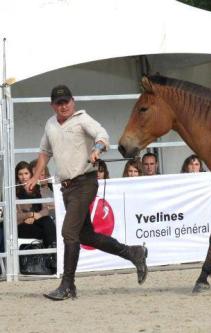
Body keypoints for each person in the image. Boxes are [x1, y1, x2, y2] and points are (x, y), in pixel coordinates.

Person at [26, 84, 147, 301]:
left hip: (85, 183)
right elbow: (45, 152)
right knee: (85, 235)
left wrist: (97, 149)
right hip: (67, 188)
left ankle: (67, 284)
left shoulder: (83, 119)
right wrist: (35, 176)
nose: (63, 106)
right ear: (52, 105)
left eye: (66, 101)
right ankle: (133, 252)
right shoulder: (50, 124)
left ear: (73, 101)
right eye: (59, 103)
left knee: (68, 233)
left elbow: (102, 135)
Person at [15, 161, 57, 248]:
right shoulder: (14, 192)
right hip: (23, 225)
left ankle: (51, 249)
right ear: (17, 176)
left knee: (47, 220)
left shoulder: (38, 189)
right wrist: (30, 215)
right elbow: (15, 216)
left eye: (26, 173)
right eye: (20, 174)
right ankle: (51, 251)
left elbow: (45, 210)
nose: (24, 177)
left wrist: (35, 216)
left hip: (38, 221)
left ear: (31, 174)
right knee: (48, 230)